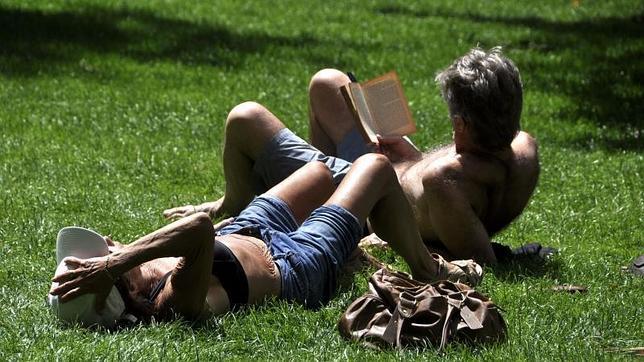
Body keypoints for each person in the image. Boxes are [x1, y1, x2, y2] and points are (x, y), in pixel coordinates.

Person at [165, 47, 539, 265]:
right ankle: (307, 191)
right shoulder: (524, 148)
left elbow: (477, 259)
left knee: (245, 117)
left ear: (460, 126)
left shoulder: (445, 182)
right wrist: (409, 156)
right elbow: (455, 196)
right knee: (329, 81)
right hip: (392, 164)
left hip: (362, 187)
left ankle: (241, 201)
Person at [49, 156, 481, 327]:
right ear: (119, 286)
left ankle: (354, 244)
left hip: (245, 231)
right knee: (375, 168)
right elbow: (198, 228)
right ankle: (427, 266)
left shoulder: (138, 271)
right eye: (102, 253)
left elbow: (207, 233)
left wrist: (115, 261)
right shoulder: (169, 302)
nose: (108, 241)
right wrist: (116, 261)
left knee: (318, 173)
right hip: (293, 265)